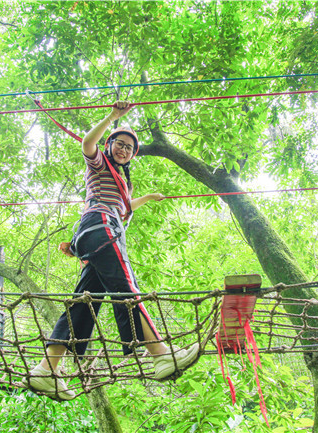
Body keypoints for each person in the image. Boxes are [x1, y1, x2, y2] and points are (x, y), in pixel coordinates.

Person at [27, 101, 200, 400]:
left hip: (97, 233)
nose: (124, 150)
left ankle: (46, 370)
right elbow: (87, 144)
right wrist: (113, 117)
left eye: (130, 148)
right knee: (125, 288)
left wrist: (146, 197)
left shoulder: (119, 182)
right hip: (101, 229)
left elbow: (123, 209)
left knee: (84, 303)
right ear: (110, 146)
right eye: (119, 144)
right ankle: (160, 354)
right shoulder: (99, 164)